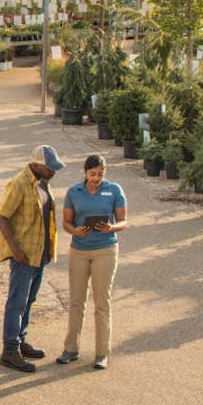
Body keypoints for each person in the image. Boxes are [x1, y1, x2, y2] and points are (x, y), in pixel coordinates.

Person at [0, 145, 65, 373]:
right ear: (36, 165)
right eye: (49, 168)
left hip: (39, 253)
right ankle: (10, 350)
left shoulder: (42, 182)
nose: (53, 171)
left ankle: (20, 340)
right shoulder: (19, 183)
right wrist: (15, 250)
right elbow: (2, 216)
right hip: (24, 255)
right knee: (17, 302)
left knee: (29, 300)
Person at [57, 154, 128, 370]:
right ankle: (71, 349)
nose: (96, 178)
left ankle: (101, 353)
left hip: (105, 250)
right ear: (85, 172)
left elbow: (123, 221)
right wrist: (75, 231)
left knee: (102, 302)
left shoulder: (114, 190)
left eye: (100, 174)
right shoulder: (74, 192)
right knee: (76, 300)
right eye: (92, 174)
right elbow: (66, 222)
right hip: (79, 251)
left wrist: (111, 227)